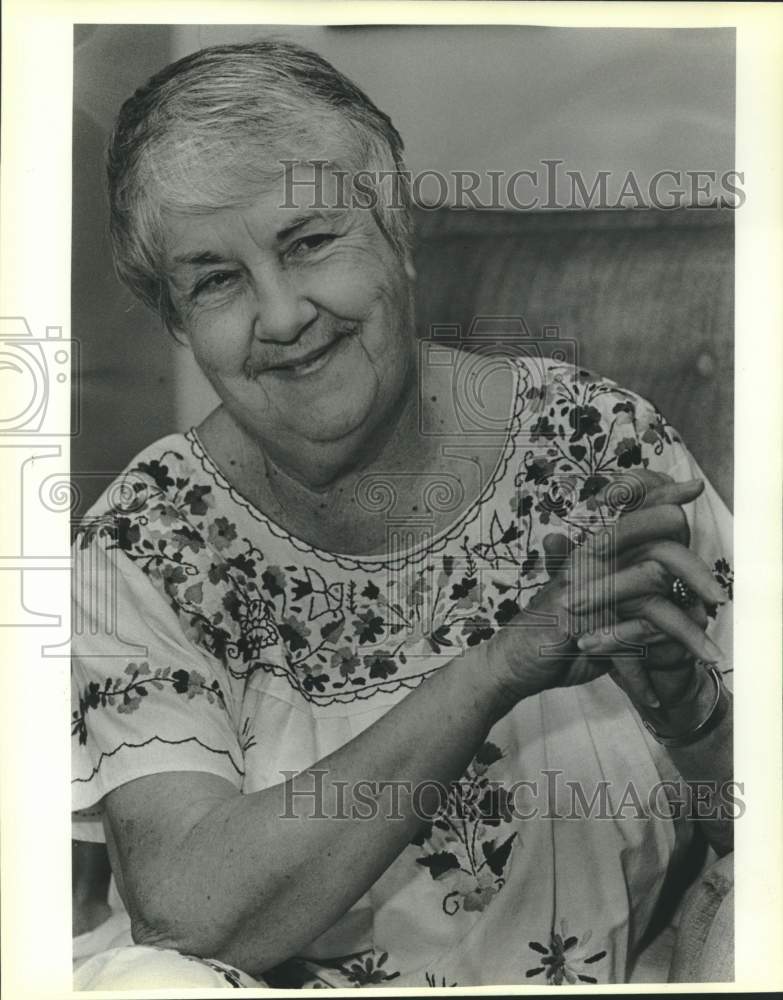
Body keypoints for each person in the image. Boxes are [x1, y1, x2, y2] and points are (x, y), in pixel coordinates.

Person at [71, 40, 734, 989]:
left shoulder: (598, 448)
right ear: (176, 323)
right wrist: (496, 668)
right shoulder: (147, 539)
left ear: (397, 234)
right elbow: (188, 915)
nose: (284, 314)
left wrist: (688, 706)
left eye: (309, 242)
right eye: (214, 279)